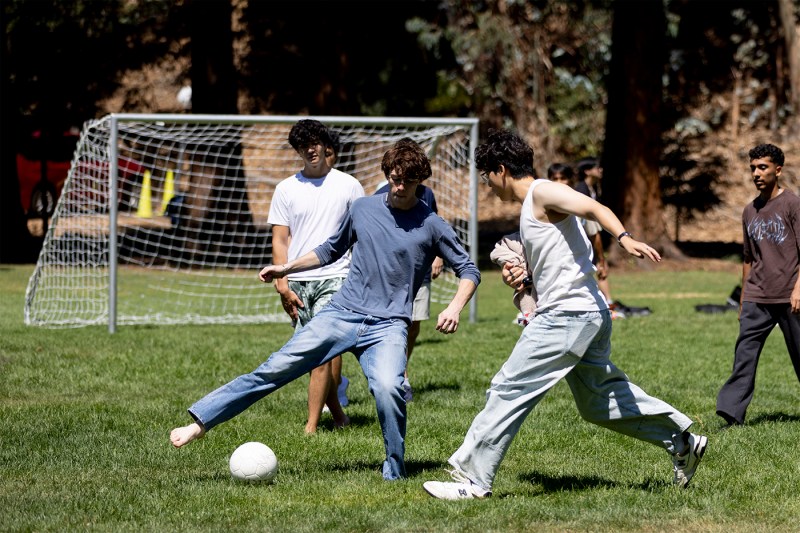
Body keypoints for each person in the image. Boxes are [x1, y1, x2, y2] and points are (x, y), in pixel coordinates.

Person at [170, 138, 481, 481]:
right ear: (387, 174)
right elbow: (331, 249)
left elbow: (469, 269)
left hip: (389, 324)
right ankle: (200, 423)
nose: (400, 186)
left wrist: (454, 306)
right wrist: (286, 269)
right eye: (394, 178)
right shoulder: (364, 208)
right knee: (274, 368)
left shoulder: (432, 223)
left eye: (408, 181)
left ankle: (395, 467)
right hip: (341, 314)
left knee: (389, 389)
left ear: (420, 181)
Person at [422, 129, 707, 500]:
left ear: (501, 169)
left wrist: (625, 238)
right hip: (586, 314)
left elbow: (594, 208)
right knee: (598, 402)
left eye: (487, 176)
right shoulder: (530, 209)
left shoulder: (541, 192)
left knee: (508, 389)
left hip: (567, 317)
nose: (487, 186)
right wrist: (523, 278)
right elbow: (558, 260)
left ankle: (472, 480)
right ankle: (681, 440)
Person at [268, 119, 363, 434]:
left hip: (337, 277)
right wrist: (282, 284)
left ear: (326, 146)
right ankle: (339, 416)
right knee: (317, 356)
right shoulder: (286, 189)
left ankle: (311, 427)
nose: (309, 149)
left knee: (321, 354)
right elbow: (281, 239)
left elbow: (361, 234)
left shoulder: (348, 185)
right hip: (297, 283)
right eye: (302, 146)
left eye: (314, 143)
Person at [716, 143, 800, 428]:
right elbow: (748, 258)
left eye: (762, 167)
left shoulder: (792, 204)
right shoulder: (749, 211)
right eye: (752, 168)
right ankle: (731, 413)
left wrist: (799, 288)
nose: (756, 173)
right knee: (744, 355)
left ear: (778, 170)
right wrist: (743, 299)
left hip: (790, 295)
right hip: (757, 296)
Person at [374, 178, 444, 401]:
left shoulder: (427, 194)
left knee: (413, 326)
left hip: (420, 271)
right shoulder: (381, 195)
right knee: (394, 324)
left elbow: (436, 227)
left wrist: (439, 256)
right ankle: (398, 377)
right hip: (391, 273)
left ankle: (401, 370)